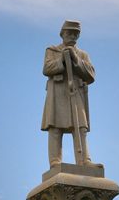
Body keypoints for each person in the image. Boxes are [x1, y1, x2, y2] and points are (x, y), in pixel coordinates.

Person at [41, 20, 96, 167]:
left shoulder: (83, 55)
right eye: (69, 33)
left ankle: (84, 160)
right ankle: (55, 161)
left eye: (75, 34)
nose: (72, 37)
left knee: (81, 127)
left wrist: (75, 59)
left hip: (76, 92)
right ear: (62, 34)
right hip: (57, 93)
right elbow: (47, 69)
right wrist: (63, 60)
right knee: (55, 127)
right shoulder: (52, 50)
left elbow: (90, 75)